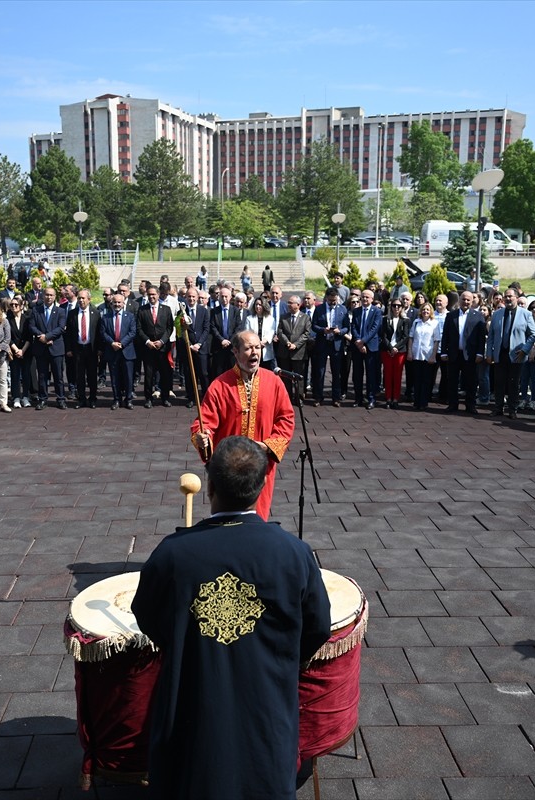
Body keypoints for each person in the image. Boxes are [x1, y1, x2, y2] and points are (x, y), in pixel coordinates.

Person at [131, 435, 330, 799]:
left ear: (209, 486)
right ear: (262, 484)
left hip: (192, 709)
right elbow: (317, 628)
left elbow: (148, 617)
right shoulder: (294, 553)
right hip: (266, 709)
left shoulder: (173, 555)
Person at [191, 331, 295, 521]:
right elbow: (203, 421)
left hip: (260, 464)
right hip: (228, 466)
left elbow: (286, 418)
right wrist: (202, 436)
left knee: (258, 517)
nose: (254, 353)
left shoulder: (274, 382)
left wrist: (269, 445)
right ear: (236, 352)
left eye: (257, 348)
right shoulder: (219, 385)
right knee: (226, 517)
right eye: (248, 348)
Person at [485, 288, 535, 419]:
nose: (508, 299)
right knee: (498, 382)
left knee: (514, 383)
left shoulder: (525, 314)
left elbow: (533, 334)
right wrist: (489, 353)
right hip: (500, 354)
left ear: (516, 297)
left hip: (516, 355)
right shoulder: (497, 314)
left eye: (510, 297)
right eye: (506, 297)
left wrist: (525, 349)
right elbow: (491, 335)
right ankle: (498, 408)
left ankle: (512, 409)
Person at [439, 291, 487, 414]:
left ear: (472, 302)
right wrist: (443, 352)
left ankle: (470, 405)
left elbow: (481, 337)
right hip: (454, 354)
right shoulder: (451, 315)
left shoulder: (478, 316)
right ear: (459, 300)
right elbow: (445, 335)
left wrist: (480, 353)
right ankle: (452, 404)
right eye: (463, 299)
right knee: (452, 381)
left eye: (468, 300)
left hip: (470, 355)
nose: (465, 302)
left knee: (471, 381)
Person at [29, 287, 68, 409]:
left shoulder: (60, 311)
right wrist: (41, 336)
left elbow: (61, 327)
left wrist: (48, 337)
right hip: (41, 348)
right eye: (47, 295)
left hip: (56, 347)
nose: (49, 297)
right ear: (43, 296)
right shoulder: (36, 310)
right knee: (42, 375)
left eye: (51, 295)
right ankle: (42, 399)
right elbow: (31, 326)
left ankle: (61, 398)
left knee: (58, 376)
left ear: (55, 296)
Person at [138, 285, 175, 407]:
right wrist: (147, 341)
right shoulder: (142, 310)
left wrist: (162, 341)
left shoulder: (166, 309)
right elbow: (139, 328)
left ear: (158, 295)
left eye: (154, 294)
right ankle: (148, 398)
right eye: (149, 294)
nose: (151, 297)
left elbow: (170, 327)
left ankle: (165, 398)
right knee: (149, 375)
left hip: (163, 348)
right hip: (148, 348)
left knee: (165, 374)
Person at [100, 292, 137, 409]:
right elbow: (103, 332)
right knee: (114, 377)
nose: (117, 304)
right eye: (115, 302)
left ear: (123, 303)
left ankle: (128, 399)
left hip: (126, 351)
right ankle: (116, 399)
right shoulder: (105, 317)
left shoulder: (130, 316)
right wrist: (112, 343)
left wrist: (122, 343)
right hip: (112, 351)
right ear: (111, 303)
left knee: (128, 377)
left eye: (119, 302)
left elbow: (132, 332)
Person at [65, 289, 100, 409]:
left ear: (89, 299)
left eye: (83, 298)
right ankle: (81, 399)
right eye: (79, 298)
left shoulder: (96, 313)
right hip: (78, 349)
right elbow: (68, 333)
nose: (81, 300)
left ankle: (93, 398)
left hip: (91, 349)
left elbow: (99, 333)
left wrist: (99, 349)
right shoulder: (72, 314)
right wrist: (69, 349)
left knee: (92, 375)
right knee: (79, 376)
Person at [349, 289, 383, 409]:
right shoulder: (357, 311)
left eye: (367, 297)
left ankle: (371, 399)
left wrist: (363, 341)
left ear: (372, 299)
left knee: (371, 374)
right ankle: (358, 398)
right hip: (357, 347)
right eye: (363, 297)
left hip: (371, 347)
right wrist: (358, 341)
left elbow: (375, 328)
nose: (364, 299)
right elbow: (353, 327)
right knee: (357, 374)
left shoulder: (377, 311)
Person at [407, 303, 439, 411]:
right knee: (417, 379)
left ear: (431, 311)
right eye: (424, 309)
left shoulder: (435, 323)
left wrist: (433, 356)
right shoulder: (416, 322)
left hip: (428, 354)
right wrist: (410, 352)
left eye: (427, 310)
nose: (425, 311)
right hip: (416, 354)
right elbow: (411, 338)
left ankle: (423, 402)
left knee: (426, 380)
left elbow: (436, 341)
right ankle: (416, 401)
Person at [379, 298, 409, 409]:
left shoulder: (405, 320)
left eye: (398, 306)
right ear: (390, 307)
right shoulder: (385, 319)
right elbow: (383, 336)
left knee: (397, 375)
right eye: (394, 305)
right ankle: (388, 398)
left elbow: (405, 337)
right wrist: (390, 347)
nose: (396, 307)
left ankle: (395, 398)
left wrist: (396, 348)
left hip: (400, 351)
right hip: (387, 350)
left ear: (402, 307)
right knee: (387, 374)